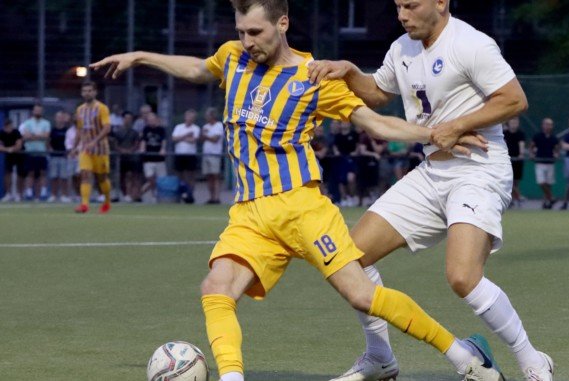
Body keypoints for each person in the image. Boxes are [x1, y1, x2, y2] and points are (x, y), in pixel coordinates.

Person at [90, 1, 501, 381]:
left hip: (302, 208)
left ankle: (462, 356)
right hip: (250, 213)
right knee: (216, 288)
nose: (247, 41)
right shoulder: (232, 56)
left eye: (256, 32)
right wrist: (141, 56)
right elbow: (199, 69)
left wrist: (435, 133)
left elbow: (375, 123)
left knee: (362, 295)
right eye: (242, 31)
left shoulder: (313, 76)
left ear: (282, 23)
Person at [308, 1, 554, 380]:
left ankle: (532, 360)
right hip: (430, 173)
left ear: (441, 2)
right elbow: (376, 92)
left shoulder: (471, 43)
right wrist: (350, 72)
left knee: (462, 277)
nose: (402, 14)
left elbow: (514, 99)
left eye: (411, 5)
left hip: (479, 170)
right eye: (397, 6)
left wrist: (458, 125)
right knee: (349, 259)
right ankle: (380, 358)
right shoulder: (401, 48)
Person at [71, 81, 113, 214]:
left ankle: (107, 200)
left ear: (95, 92)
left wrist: (95, 141)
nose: (87, 93)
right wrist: (74, 147)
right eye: (85, 91)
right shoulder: (80, 110)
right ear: (81, 93)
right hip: (85, 149)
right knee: (85, 174)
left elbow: (107, 128)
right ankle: (84, 205)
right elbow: (79, 130)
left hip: (100, 149)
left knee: (101, 178)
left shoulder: (102, 108)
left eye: (90, 90)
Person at [19, 104, 51, 201]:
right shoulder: (27, 123)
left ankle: (43, 193)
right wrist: (39, 136)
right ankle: (29, 193)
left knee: (43, 173)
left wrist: (33, 135)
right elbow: (25, 137)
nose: (38, 112)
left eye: (39, 110)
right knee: (30, 173)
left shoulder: (46, 123)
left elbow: (46, 136)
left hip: (42, 152)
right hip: (30, 152)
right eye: (36, 110)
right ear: (33, 111)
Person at [171, 109, 200, 203]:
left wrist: (181, 138)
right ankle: (180, 194)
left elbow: (193, 140)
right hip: (179, 154)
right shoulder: (179, 127)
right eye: (188, 117)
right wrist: (186, 135)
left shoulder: (196, 128)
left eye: (192, 117)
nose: (190, 119)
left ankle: (189, 195)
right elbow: (174, 138)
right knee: (180, 176)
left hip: (190, 155)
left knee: (190, 176)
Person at [530, 118, 560, 209]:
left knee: (548, 183)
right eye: (546, 124)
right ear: (543, 125)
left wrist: (556, 154)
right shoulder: (537, 136)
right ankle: (551, 197)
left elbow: (557, 148)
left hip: (550, 162)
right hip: (540, 162)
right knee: (541, 182)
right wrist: (532, 154)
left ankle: (547, 203)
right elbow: (531, 146)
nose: (548, 126)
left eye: (550, 124)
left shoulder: (554, 138)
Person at [115, 111, 143, 202]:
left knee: (133, 176)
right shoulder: (117, 131)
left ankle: (134, 194)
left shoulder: (134, 132)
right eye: (126, 118)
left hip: (132, 157)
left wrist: (130, 150)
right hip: (121, 158)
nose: (128, 120)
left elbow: (137, 143)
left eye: (130, 119)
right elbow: (114, 144)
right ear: (123, 119)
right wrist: (121, 150)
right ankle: (125, 194)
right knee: (123, 176)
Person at [139, 112, 167, 200]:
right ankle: (153, 193)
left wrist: (163, 149)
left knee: (161, 179)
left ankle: (160, 196)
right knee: (150, 177)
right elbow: (143, 140)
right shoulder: (146, 129)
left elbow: (163, 140)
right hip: (148, 158)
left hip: (159, 159)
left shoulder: (161, 129)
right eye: (150, 120)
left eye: (153, 119)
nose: (152, 121)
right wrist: (142, 149)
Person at [201, 107, 225, 204]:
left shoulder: (219, 125)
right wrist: (206, 136)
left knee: (215, 176)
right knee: (209, 177)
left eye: (208, 115)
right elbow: (201, 138)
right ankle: (211, 198)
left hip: (215, 154)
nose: (206, 117)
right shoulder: (205, 126)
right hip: (206, 154)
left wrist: (206, 135)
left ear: (212, 116)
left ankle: (217, 198)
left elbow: (215, 139)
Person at [47, 111, 71, 203]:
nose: (60, 119)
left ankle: (64, 195)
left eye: (61, 117)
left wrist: (67, 152)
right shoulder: (52, 130)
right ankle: (53, 195)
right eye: (58, 117)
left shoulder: (67, 130)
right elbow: (48, 141)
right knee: (54, 176)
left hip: (64, 156)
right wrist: (50, 149)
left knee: (64, 177)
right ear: (55, 118)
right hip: (54, 156)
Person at [503, 117, 526, 207]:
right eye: (512, 122)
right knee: (509, 181)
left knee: (516, 182)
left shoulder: (520, 134)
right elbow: (503, 144)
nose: (514, 124)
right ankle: (518, 197)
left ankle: (514, 199)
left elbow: (522, 145)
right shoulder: (505, 133)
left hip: (517, 160)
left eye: (516, 122)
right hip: (507, 160)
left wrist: (521, 154)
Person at [0, 119, 24, 202]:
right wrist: (7, 149)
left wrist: (12, 149)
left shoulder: (16, 132)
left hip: (19, 155)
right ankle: (8, 194)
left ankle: (18, 194)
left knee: (19, 175)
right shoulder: (2, 133)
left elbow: (19, 145)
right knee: (8, 174)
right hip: (9, 155)